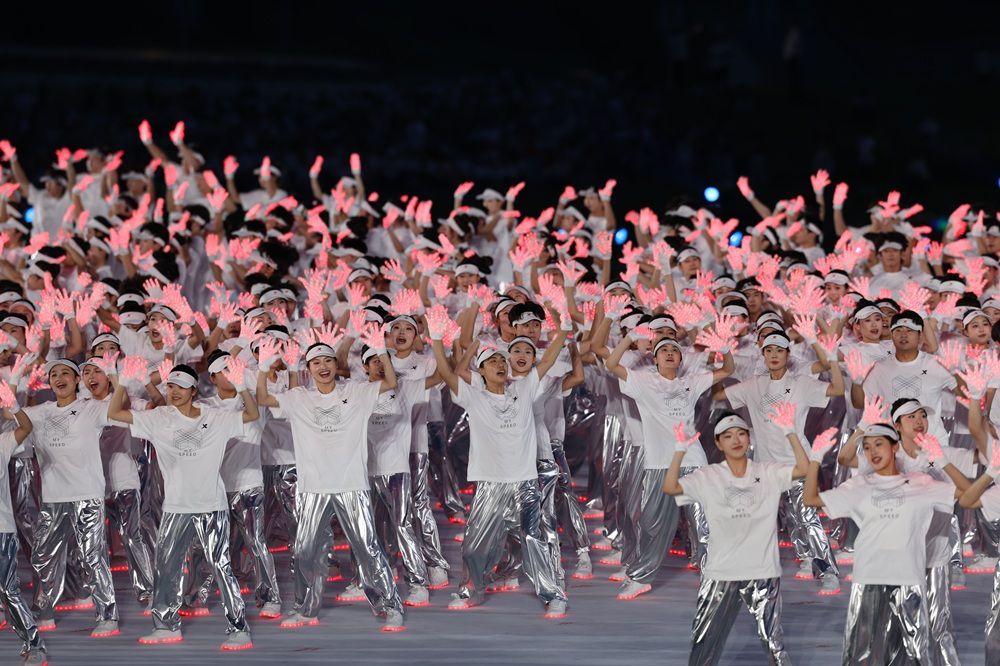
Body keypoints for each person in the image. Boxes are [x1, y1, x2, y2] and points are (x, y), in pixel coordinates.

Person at [254, 340, 406, 632]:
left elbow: (389, 383)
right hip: (314, 488)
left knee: (368, 548)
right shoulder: (299, 397)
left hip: (352, 484)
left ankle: (390, 606)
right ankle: (305, 609)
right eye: (316, 363)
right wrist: (263, 368)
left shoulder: (355, 392)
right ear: (309, 369)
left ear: (336, 365)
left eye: (327, 361)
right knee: (304, 551)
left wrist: (381, 352)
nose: (323, 367)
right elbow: (262, 398)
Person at [107, 360, 259, 650]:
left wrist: (241, 386)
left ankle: (239, 628)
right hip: (176, 506)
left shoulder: (215, 417)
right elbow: (114, 413)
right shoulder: (159, 418)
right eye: (170, 386)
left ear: (193, 391)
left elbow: (252, 414)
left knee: (221, 566)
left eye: (180, 386)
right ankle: (166, 626)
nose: (174, 391)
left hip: (211, 504)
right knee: (166, 567)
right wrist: (122, 383)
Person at [430, 306, 570, 617]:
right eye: (492, 361)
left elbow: (547, 360)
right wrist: (437, 339)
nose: (499, 364)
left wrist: (564, 327)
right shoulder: (474, 396)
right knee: (473, 545)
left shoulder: (523, 387)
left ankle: (553, 595)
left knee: (533, 539)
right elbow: (449, 374)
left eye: (501, 360)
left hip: (524, 482)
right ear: (481, 371)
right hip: (490, 484)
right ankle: (469, 591)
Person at [804, 421, 960, 664]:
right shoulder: (859, 485)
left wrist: (942, 461)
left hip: (908, 580)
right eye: (867, 447)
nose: (872, 451)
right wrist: (815, 458)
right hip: (869, 579)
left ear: (895, 447)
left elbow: (966, 494)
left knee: (915, 656)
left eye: (879, 444)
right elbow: (811, 499)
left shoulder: (920, 482)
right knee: (861, 655)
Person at [663, 409, 810, 665]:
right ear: (718, 443)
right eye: (728, 436)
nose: (736, 440)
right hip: (721, 570)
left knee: (774, 645)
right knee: (703, 643)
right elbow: (671, 487)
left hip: (762, 570)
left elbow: (804, 469)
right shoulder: (708, 476)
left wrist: (790, 432)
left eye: (741, 434)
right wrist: (679, 450)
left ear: (749, 438)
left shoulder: (767, 471)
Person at [605, 330, 734, 600]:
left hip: (693, 459)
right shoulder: (643, 381)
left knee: (703, 520)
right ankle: (641, 577)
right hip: (660, 463)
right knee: (652, 524)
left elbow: (727, 370)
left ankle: (712, 573)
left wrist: (724, 348)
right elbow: (612, 365)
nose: (670, 353)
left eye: (674, 350)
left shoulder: (691, 382)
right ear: (655, 358)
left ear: (680, 358)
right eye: (664, 350)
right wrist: (629, 338)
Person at [715, 330, 844, 593]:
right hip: (765, 466)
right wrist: (719, 363)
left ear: (788, 354)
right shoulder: (753, 385)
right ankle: (802, 557)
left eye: (779, 350)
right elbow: (719, 396)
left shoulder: (801, 384)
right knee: (777, 517)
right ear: (763, 354)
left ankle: (827, 570)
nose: (774, 355)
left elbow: (838, 389)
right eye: (769, 350)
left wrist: (832, 359)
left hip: (797, 463)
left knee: (807, 517)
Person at [20, 359, 119, 637]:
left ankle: (107, 616)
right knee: (42, 555)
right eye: (54, 374)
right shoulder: (40, 412)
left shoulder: (91, 408)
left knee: (92, 557)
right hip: (53, 497)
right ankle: (44, 612)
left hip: (86, 494)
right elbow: (13, 416)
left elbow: (118, 409)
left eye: (66, 373)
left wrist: (114, 376)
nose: (59, 378)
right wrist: (18, 387)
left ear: (77, 380)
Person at [0, 387, 47, 665]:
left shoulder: (3, 442)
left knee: (8, 590)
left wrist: (14, 406)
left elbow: (26, 427)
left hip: (1, 529)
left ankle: (34, 644)